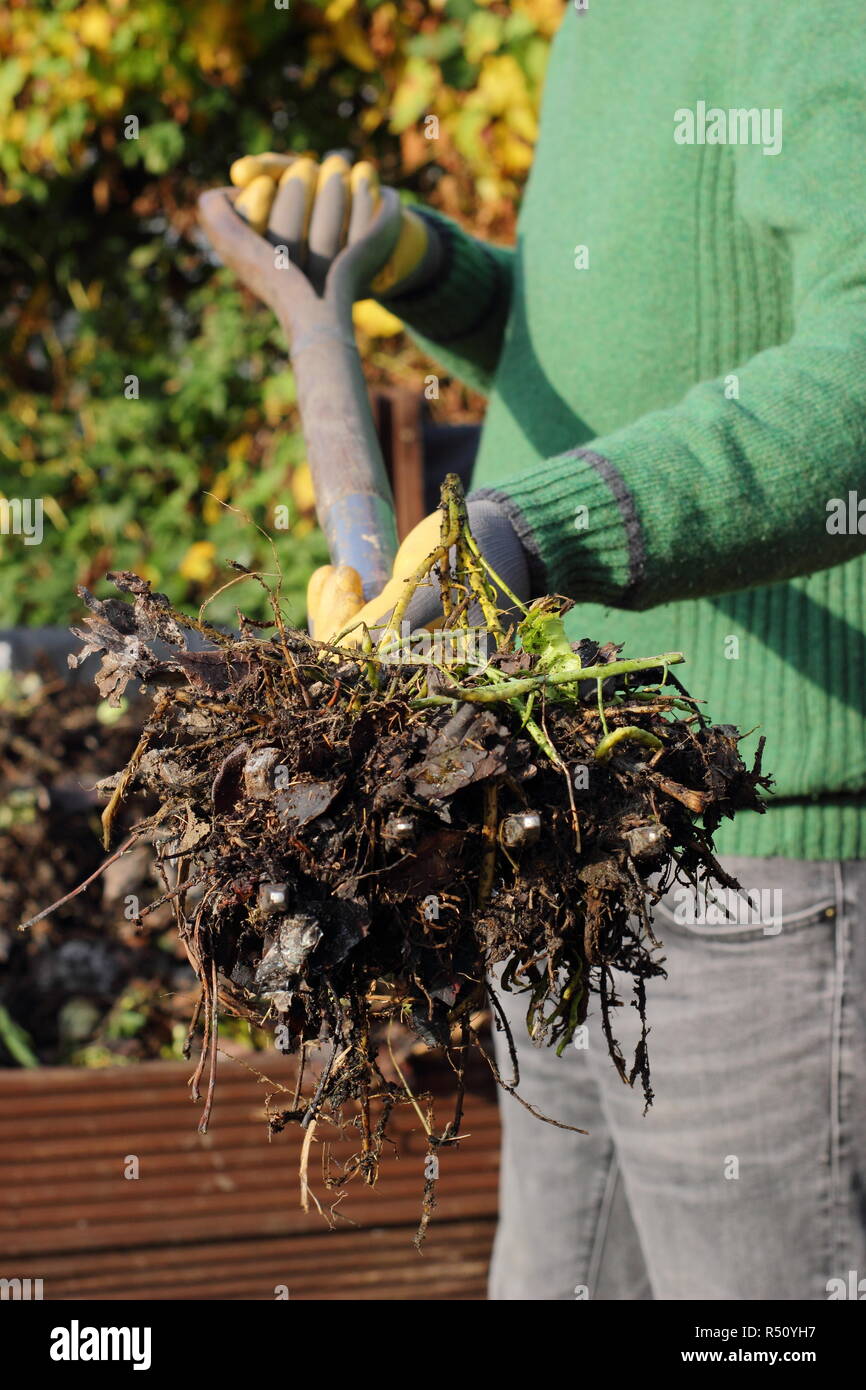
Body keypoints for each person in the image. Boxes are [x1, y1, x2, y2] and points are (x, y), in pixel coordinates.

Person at [204, 1, 866, 1300]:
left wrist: (526, 532)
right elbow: (623, 331)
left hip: (753, 848)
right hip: (571, 818)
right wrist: (414, 261)